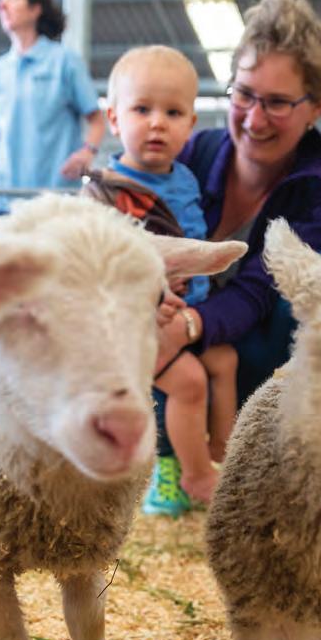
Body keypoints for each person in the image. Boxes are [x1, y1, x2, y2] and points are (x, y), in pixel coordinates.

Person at [148, 0, 321, 514]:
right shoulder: (189, 154)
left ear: (319, 105)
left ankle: (272, 447)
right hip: (163, 342)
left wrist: (188, 326)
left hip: (249, 357)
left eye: (278, 102)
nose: (254, 118)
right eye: (244, 94)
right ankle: (162, 456)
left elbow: (260, 290)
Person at [84, 45, 239, 512]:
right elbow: (98, 269)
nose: (157, 123)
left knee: (225, 359)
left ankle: (224, 455)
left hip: (186, 309)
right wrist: (151, 304)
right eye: (142, 109)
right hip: (132, 323)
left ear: (190, 125)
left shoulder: (187, 180)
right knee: (189, 382)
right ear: (114, 119)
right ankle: (183, 477)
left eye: (172, 113)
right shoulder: (105, 192)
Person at [0, 0, 104, 222]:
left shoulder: (65, 62)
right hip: (5, 199)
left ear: (35, 9)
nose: (2, 5)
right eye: (2, 0)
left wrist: (87, 152)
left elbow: (97, 120)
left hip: (55, 202)